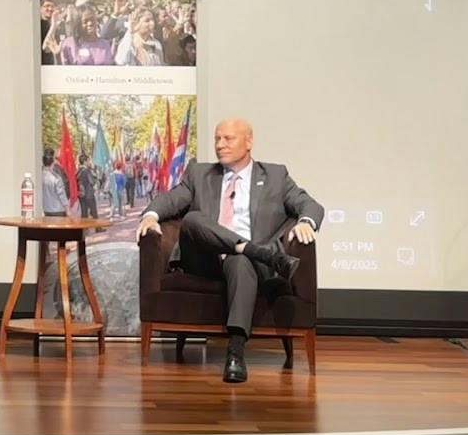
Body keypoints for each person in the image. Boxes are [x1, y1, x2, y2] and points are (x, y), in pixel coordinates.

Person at [137, 118, 323, 384]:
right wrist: (150, 216)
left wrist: (306, 222)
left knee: (240, 260)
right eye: (217, 139)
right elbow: (170, 199)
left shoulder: (275, 176)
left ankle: (235, 353)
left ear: (248, 142)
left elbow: (311, 206)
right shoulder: (199, 174)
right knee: (193, 219)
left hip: (246, 266)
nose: (220, 145)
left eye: (228, 139)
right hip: (205, 260)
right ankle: (258, 251)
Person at [41, 147, 70, 216]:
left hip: (46, 209)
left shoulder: (39, 176)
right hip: (58, 209)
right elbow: (62, 193)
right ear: (53, 161)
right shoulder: (56, 177)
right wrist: (67, 208)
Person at [76, 153, 99, 219]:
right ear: (85, 161)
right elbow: (92, 182)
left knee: (84, 212)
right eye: (88, 161)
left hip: (81, 194)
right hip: (89, 194)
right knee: (94, 211)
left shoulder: (78, 171)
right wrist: (95, 177)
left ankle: (84, 228)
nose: (89, 162)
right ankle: (98, 227)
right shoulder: (86, 171)